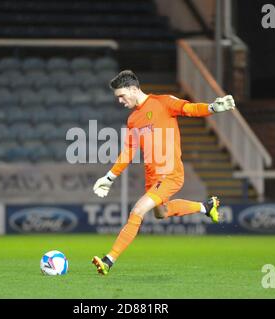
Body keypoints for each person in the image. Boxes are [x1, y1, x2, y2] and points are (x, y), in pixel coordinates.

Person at [92, 70, 235, 275]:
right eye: (118, 98)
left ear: (134, 89)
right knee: (162, 213)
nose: (120, 101)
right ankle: (206, 207)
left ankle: (108, 260)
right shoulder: (133, 120)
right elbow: (128, 152)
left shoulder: (163, 102)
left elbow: (189, 108)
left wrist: (212, 107)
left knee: (138, 211)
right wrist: (109, 177)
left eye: (122, 96)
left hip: (170, 173)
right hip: (152, 176)